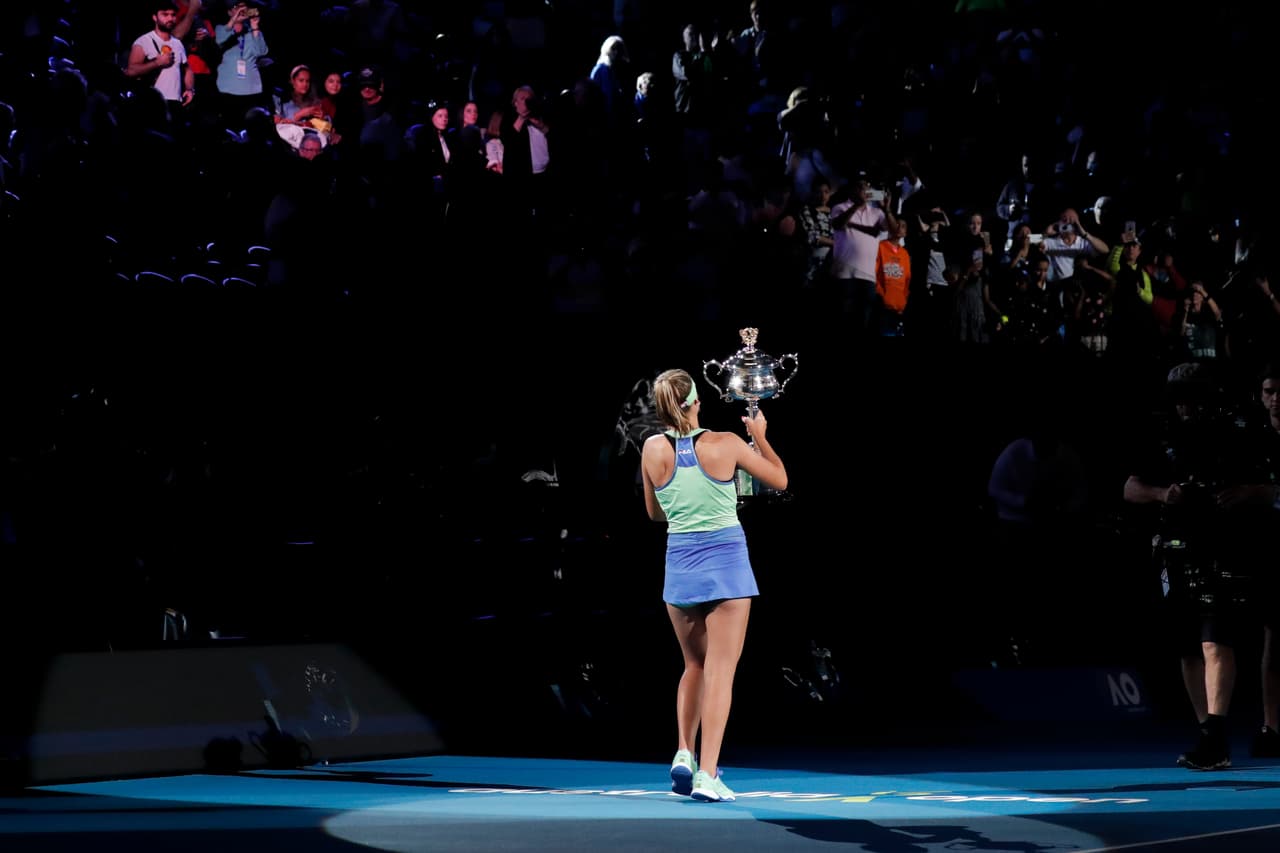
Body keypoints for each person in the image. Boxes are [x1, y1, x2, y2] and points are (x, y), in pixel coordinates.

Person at [1123, 361, 1280, 769]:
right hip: (1175, 550)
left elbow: (1267, 486)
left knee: (1216, 640)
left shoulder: (1237, 435)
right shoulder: (1160, 437)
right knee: (1188, 648)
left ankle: (1216, 731)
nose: (1187, 405)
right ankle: (1208, 733)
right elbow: (1130, 488)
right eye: (1181, 397)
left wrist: (1247, 493)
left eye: (1195, 396)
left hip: (1224, 547)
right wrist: (1163, 494)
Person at [640, 368, 787, 802]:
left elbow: (654, 513)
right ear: (696, 402)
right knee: (721, 670)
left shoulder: (649, 449)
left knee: (694, 667)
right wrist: (759, 435)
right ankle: (707, 774)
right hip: (726, 567)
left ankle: (683, 752)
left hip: (680, 567)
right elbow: (779, 479)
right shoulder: (726, 442)